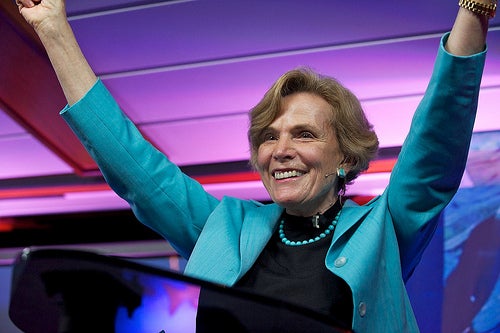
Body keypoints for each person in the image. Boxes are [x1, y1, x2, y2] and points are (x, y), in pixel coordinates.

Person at [16, 0, 494, 331]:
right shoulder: (223, 228)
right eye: (269, 137)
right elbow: (131, 165)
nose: (279, 149)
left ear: (346, 157)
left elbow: (436, 146)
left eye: (303, 134)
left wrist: (472, 11)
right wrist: (53, 28)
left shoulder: (381, 230)